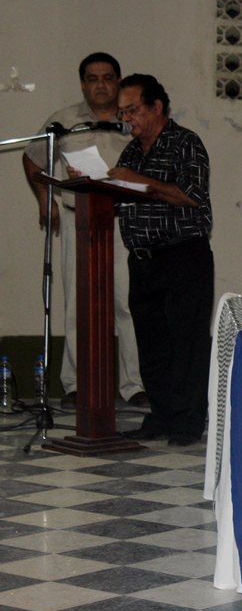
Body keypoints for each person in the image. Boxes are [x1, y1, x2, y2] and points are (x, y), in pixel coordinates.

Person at [22, 52, 148, 410]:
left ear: (119, 81)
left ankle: (133, 385)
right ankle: (76, 384)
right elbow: (32, 158)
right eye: (92, 79)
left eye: (108, 77)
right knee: (79, 304)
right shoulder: (64, 121)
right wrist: (44, 198)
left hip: (126, 223)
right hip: (80, 222)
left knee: (127, 305)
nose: (101, 85)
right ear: (82, 84)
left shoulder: (132, 119)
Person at [112, 75, 214, 447]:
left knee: (185, 342)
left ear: (157, 107)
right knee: (151, 343)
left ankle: (187, 421)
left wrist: (137, 181)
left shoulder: (185, 143)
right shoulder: (132, 151)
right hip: (142, 259)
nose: (128, 119)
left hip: (182, 255)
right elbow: (120, 193)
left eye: (133, 110)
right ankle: (162, 414)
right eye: (123, 112)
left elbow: (191, 197)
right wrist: (93, 183)